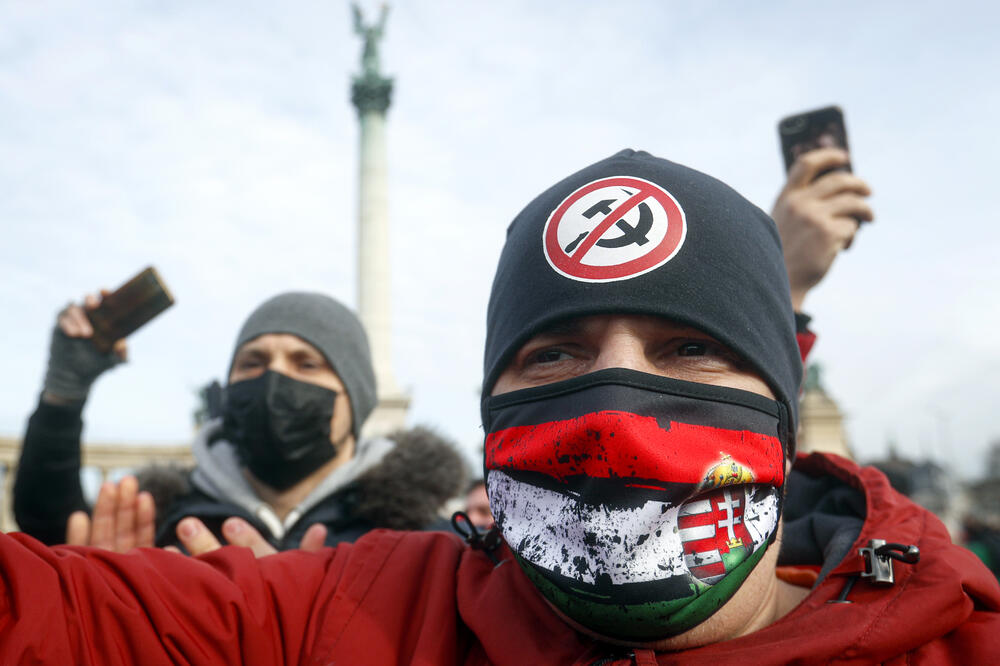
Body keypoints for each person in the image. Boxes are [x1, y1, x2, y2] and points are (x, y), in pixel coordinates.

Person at [2, 150, 997, 663]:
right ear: (489, 409)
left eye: (689, 350)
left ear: (780, 407)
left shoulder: (956, 639)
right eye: (552, 352)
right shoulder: (356, 610)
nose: (609, 411)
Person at [14, 291, 465, 551]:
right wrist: (62, 396)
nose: (274, 378)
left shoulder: (429, 546)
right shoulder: (157, 524)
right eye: (253, 362)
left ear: (357, 400)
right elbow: (51, 533)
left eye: (306, 364)